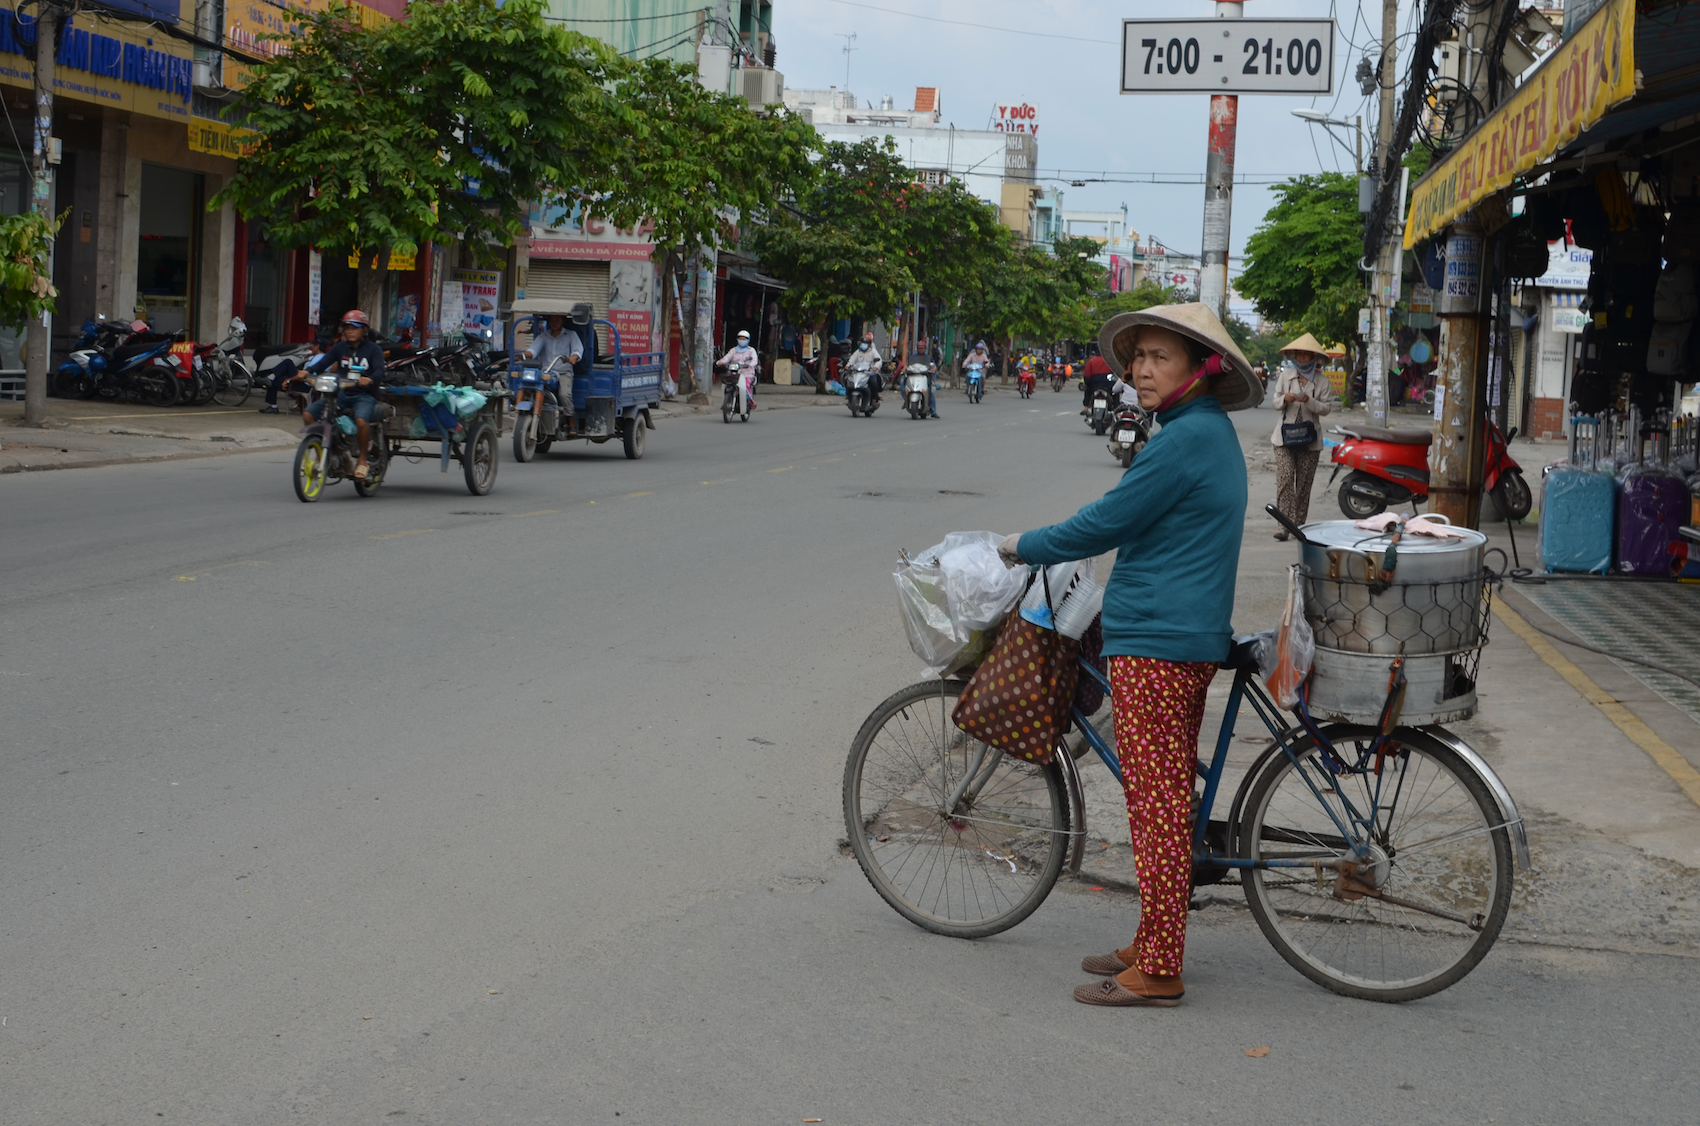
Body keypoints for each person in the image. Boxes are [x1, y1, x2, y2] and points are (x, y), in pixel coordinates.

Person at [997, 303, 1258, 1007]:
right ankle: (1151, 939)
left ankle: (1160, 969)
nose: (1141, 369)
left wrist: (1025, 543)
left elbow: (1108, 521)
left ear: (1199, 367)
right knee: (1161, 797)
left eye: (1159, 358)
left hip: (1160, 641)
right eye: (1137, 356)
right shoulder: (1198, 431)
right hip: (1174, 631)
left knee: (1158, 803)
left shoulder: (1184, 440)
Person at [301, 310, 386, 480]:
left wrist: (369, 379)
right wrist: (307, 372)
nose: (350, 331)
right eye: (347, 327)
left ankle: (362, 460)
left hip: (364, 395)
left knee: (361, 421)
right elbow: (324, 363)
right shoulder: (340, 347)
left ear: (364, 330)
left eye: (354, 327)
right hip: (340, 393)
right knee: (308, 413)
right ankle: (324, 452)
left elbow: (379, 371)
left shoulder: (374, 350)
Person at [1269, 332, 1336, 539]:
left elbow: (1326, 409)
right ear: (1295, 356)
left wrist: (1309, 400)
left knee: (1304, 485)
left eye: (1307, 355)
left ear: (1315, 358)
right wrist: (1285, 399)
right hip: (1284, 438)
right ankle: (1283, 525)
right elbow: (1275, 403)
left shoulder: (1322, 382)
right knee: (1286, 478)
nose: (1303, 358)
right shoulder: (1285, 377)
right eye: (1300, 354)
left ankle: (1298, 526)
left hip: (1310, 440)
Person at [718, 329, 760, 411]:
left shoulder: (751, 350)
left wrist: (750, 364)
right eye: (740, 338)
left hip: (747, 374)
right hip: (734, 373)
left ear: (748, 340)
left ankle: (751, 402)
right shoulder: (733, 350)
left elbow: (755, 360)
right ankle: (725, 402)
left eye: (744, 339)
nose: (742, 340)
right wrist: (720, 362)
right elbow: (727, 358)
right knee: (725, 385)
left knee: (745, 386)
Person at [847, 331, 883, 401]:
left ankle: (873, 398)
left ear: (869, 344)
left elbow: (879, 361)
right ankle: (849, 396)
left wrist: (875, 367)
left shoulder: (873, 351)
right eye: (863, 343)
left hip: (869, 372)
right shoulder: (858, 352)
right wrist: (848, 365)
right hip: (858, 372)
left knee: (873, 383)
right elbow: (852, 359)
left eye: (866, 343)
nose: (864, 345)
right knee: (848, 381)